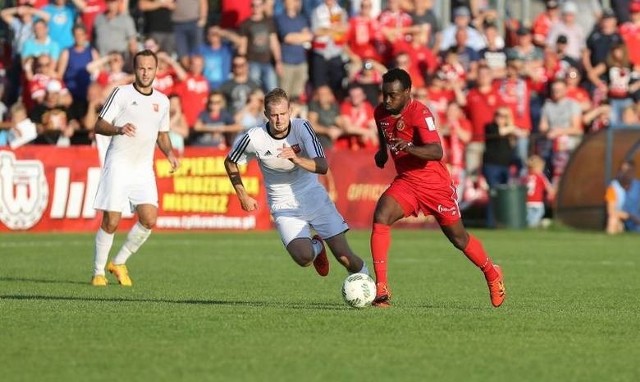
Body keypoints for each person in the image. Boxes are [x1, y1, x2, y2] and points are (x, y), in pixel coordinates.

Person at [370, 68, 505, 308]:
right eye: (384, 94)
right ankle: (382, 291)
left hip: (435, 185)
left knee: (458, 238)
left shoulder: (420, 113)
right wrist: (382, 151)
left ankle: (492, 273)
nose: (387, 100)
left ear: (408, 93)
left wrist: (409, 147)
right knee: (381, 215)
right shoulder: (381, 112)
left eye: (393, 95)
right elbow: (384, 131)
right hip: (408, 182)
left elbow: (436, 151)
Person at [224, 87, 368, 281]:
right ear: (265, 114)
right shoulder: (254, 137)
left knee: (344, 257)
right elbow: (230, 161)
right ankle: (317, 248)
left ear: (290, 111)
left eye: (283, 114)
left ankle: (370, 286)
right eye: (273, 115)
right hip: (282, 202)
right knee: (304, 257)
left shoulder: (302, 127)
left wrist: (297, 159)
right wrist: (242, 195)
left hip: (313, 196)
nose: (279, 119)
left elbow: (323, 166)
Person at [90, 49, 180, 287]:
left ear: (157, 70)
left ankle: (118, 262)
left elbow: (162, 134)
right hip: (118, 165)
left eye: (150, 68)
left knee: (149, 219)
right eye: (141, 68)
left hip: (143, 168)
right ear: (135, 68)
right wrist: (119, 129)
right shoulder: (121, 93)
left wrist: (169, 153)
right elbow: (99, 125)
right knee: (111, 220)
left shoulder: (162, 101)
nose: (146, 72)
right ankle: (98, 272)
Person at [605, 159, 640, 234]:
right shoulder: (614, 188)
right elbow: (611, 211)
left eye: (628, 171)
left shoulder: (637, 186)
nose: (625, 173)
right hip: (623, 221)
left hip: (637, 221)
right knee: (613, 219)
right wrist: (630, 216)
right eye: (623, 170)